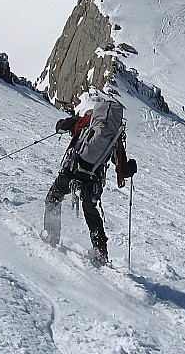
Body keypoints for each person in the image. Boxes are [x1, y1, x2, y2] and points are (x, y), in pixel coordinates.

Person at [42, 100, 135, 265]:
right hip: (93, 179)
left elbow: (60, 127)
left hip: (71, 170)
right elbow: (123, 170)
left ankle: (51, 233)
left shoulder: (85, 122)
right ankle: (100, 250)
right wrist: (132, 167)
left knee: (53, 198)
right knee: (90, 211)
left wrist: (68, 124)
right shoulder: (115, 138)